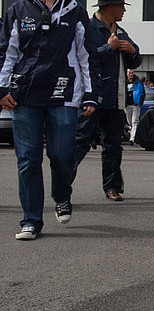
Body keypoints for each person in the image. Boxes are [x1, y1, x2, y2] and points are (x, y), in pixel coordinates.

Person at [0, 0, 98, 240]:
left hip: (64, 92)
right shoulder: (17, 10)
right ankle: (31, 220)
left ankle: (62, 195)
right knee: (27, 159)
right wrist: (1, 88)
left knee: (63, 154)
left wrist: (90, 93)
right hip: (24, 94)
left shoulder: (75, 11)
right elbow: (7, 51)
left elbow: (87, 54)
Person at [73, 0, 140, 203]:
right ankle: (63, 185)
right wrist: (107, 48)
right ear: (109, 8)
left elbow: (136, 60)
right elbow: (85, 57)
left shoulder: (120, 31)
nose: (124, 10)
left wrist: (132, 51)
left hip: (116, 99)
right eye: (121, 6)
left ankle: (112, 187)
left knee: (113, 146)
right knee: (80, 142)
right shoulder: (88, 29)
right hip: (92, 97)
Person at [124, 68, 144, 144]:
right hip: (127, 105)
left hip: (135, 104)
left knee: (135, 121)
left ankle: (132, 139)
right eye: (130, 73)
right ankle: (131, 132)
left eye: (132, 73)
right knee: (129, 122)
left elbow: (142, 93)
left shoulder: (138, 82)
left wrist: (140, 102)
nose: (131, 75)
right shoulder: (124, 81)